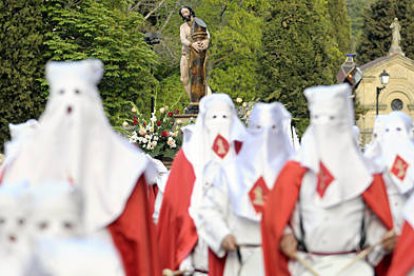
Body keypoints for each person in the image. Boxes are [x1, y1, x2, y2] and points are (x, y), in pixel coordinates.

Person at [1, 59, 160, 276]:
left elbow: (139, 247)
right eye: (62, 95)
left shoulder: (125, 169)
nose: (69, 107)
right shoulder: (22, 163)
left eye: (77, 94)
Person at [261, 84, 395, 276]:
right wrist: (284, 235)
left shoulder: (368, 175)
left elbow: (375, 226)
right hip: (307, 266)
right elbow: (278, 218)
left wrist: (383, 242)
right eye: (318, 119)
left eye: (332, 119)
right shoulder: (294, 174)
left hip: (354, 267)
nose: (325, 127)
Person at [196, 102, 294, 275]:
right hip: (241, 259)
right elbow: (208, 210)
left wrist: (295, 236)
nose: (265, 136)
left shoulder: (294, 174)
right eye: (258, 128)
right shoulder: (231, 171)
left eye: (272, 129)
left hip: (285, 258)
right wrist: (222, 234)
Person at [157, 93, 246, 275]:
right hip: (198, 255)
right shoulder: (188, 157)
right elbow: (175, 208)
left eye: (225, 117)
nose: (219, 123)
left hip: (240, 256)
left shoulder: (244, 154)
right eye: (214, 117)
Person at [179, 6, 210, 104]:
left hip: (199, 54)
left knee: (201, 77)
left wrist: (204, 43)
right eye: (182, 13)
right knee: (184, 79)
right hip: (186, 54)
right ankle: (193, 101)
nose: (185, 14)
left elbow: (207, 36)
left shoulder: (200, 23)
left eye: (186, 12)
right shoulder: (183, 27)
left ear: (191, 12)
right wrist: (191, 44)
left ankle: (208, 100)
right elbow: (183, 39)